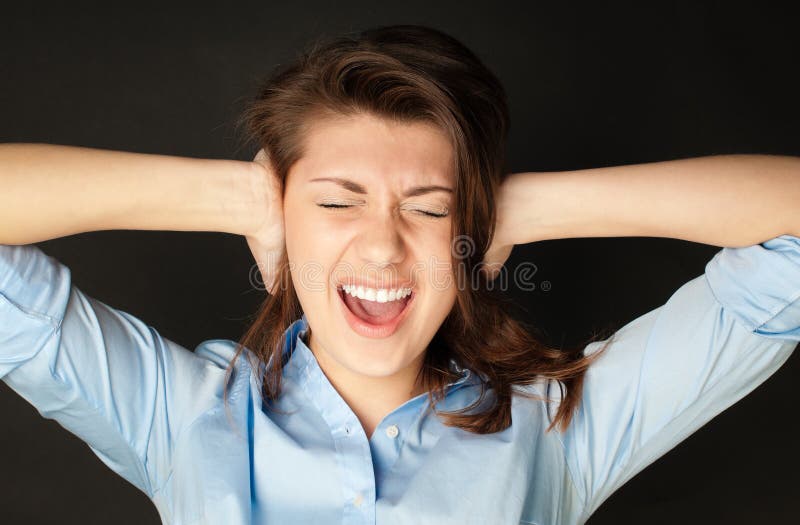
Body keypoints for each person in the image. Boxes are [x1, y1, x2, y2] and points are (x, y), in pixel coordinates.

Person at [1, 24, 798, 525]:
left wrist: (518, 207)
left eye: (425, 209)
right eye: (339, 202)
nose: (383, 248)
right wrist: (230, 194)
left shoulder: (558, 429)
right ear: (280, 219)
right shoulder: (179, 414)